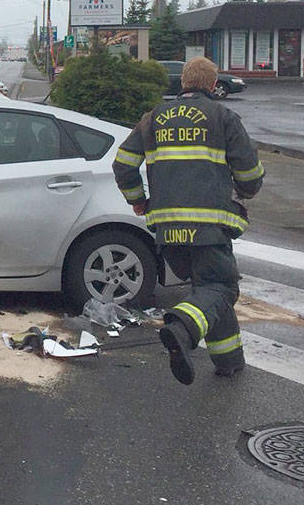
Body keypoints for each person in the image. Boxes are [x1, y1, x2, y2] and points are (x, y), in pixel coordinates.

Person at [112, 57, 265, 385]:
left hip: (166, 230)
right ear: (212, 85)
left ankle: (229, 362)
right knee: (221, 288)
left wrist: (138, 200)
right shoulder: (223, 117)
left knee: (208, 289)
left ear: (182, 82)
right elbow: (250, 175)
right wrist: (248, 188)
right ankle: (182, 326)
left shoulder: (152, 118)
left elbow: (123, 165)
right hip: (209, 228)